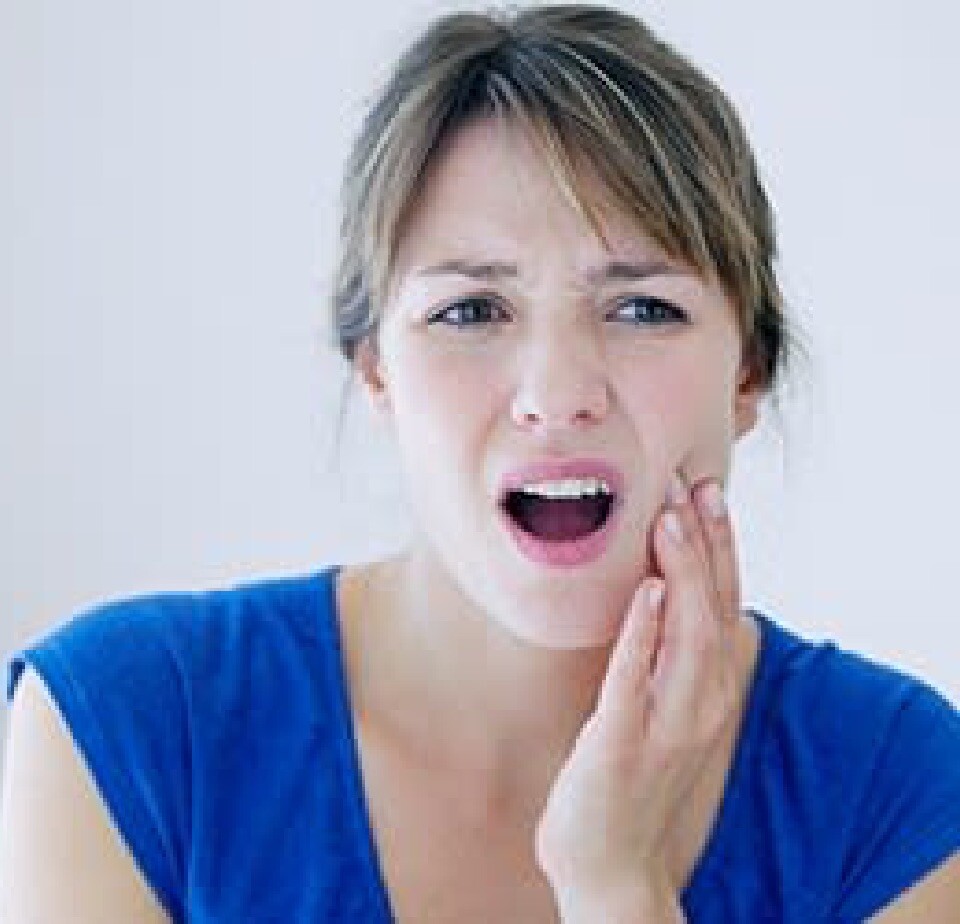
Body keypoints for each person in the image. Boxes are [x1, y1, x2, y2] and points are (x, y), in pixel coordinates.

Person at [2, 4, 959, 921]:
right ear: (377, 372)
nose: (557, 391)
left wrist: (617, 883)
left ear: (747, 373)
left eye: (642, 309)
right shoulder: (126, 729)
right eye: (470, 311)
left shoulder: (899, 791)